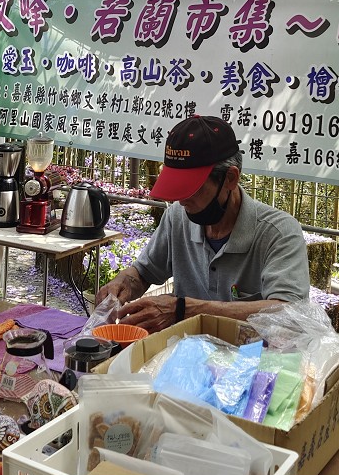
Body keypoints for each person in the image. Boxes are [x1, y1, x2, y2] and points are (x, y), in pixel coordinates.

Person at [96, 115, 310, 333]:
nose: (181, 200)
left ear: (230, 178)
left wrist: (185, 309)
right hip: (187, 355)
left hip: (255, 358)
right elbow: (144, 272)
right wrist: (124, 283)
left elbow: (289, 313)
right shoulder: (177, 217)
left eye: (192, 189)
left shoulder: (279, 233)